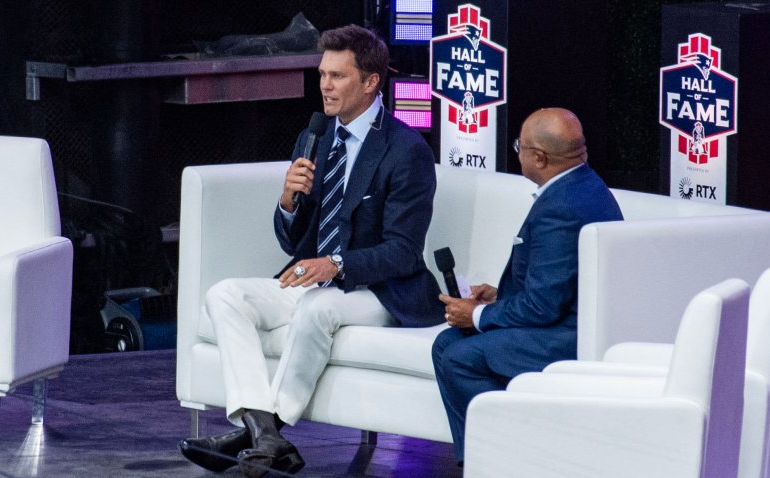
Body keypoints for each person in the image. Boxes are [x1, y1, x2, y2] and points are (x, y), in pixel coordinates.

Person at [179, 24, 444, 477]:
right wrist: (286, 202)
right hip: (316, 276)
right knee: (226, 295)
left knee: (317, 310)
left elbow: (402, 252)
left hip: (379, 289)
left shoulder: (405, 150)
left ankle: (258, 435)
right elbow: (293, 241)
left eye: (338, 76)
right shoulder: (315, 137)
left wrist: (336, 263)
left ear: (370, 81)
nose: (325, 85)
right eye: (322, 74)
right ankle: (266, 434)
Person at [432, 108, 624, 464]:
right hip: (562, 320)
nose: (516, 151)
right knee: (446, 344)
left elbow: (543, 307)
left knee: (460, 357)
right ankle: (475, 461)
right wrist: (498, 296)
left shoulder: (562, 206)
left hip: (567, 336)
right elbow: (556, 285)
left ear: (539, 158)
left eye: (520, 146)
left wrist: (478, 314)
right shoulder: (582, 185)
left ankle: (512, 459)